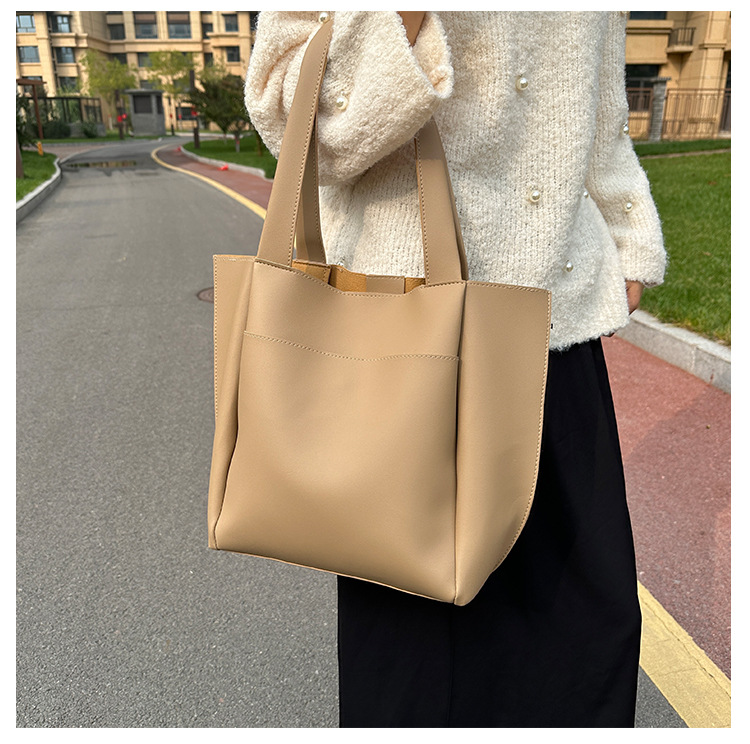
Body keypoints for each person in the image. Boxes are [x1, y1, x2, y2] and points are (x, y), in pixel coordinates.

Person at [244, 11, 666, 727]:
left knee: (586, 642)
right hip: (399, 336)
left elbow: (597, 102)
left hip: (557, 329)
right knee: (418, 667)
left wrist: (628, 228)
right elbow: (300, 127)